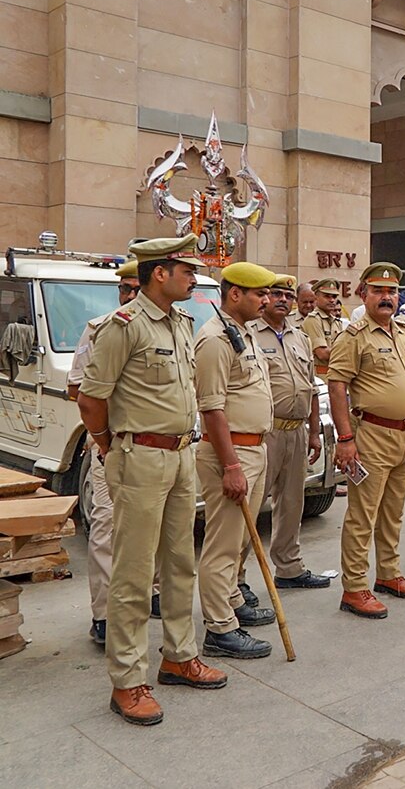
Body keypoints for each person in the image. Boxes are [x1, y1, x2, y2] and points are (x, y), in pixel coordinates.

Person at [78, 236, 228, 725]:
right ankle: (128, 680)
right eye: (187, 270)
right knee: (134, 573)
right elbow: (90, 399)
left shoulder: (182, 323)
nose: (194, 277)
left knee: (180, 562)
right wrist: (107, 445)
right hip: (139, 456)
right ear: (159, 272)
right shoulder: (123, 326)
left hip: (182, 454)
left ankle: (179, 656)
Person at [328, 263, 405, 617]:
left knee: (393, 513)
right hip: (371, 436)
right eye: (378, 291)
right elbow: (337, 386)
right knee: (362, 515)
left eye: (392, 292)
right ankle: (355, 587)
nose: (387, 298)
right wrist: (345, 439)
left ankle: (388, 573)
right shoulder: (353, 337)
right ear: (363, 294)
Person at [194, 262, 277, 660]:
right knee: (223, 544)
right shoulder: (213, 339)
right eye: (259, 293)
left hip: (254, 448)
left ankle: (230, 601)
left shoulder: (242, 332)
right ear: (235, 294)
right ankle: (219, 629)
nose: (267, 300)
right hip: (232, 452)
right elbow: (212, 409)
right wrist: (230, 466)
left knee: (241, 539)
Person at [68, 257, 146, 646]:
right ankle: (104, 614)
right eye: (124, 289)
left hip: (155, 449)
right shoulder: (101, 330)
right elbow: (78, 390)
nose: (130, 295)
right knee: (107, 528)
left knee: (159, 527)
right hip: (111, 445)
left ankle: (151, 596)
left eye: (136, 288)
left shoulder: (173, 328)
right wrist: (104, 441)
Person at [248, 275, 326, 590]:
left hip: (297, 430)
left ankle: (289, 568)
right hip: (265, 432)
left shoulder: (299, 337)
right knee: (251, 507)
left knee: (292, 503)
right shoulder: (250, 334)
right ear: (265, 299)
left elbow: (311, 389)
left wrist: (314, 432)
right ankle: (236, 581)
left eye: (287, 296)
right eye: (276, 294)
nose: (283, 300)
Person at [303, 278, 346, 376]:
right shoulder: (313, 320)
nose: (331, 300)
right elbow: (322, 354)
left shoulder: (336, 322)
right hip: (319, 376)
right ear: (316, 297)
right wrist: (348, 350)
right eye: (327, 296)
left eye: (334, 297)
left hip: (336, 374)